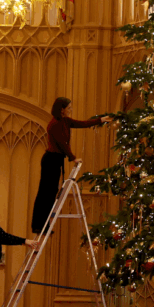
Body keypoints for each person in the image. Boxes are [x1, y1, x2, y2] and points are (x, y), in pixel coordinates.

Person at [31, 97, 110, 234]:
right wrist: (73, 158)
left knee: (51, 193)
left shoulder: (65, 121)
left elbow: (82, 124)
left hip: (57, 160)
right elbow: (62, 143)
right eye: (69, 108)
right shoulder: (54, 124)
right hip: (51, 160)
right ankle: (38, 225)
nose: (71, 110)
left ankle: (45, 224)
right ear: (62, 110)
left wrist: (100, 120)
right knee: (45, 193)